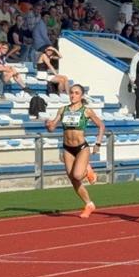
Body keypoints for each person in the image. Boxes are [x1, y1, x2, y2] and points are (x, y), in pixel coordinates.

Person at [44, 84, 103, 218]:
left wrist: (97, 143)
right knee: (73, 179)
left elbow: (101, 126)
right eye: (71, 93)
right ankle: (89, 204)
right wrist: (48, 125)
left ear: (81, 96)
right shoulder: (63, 110)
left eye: (76, 93)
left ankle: (87, 169)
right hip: (67, 148)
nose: (73, 95)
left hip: (81, 147)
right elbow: (52, 127)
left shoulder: (86, 111)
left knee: (77, 175)